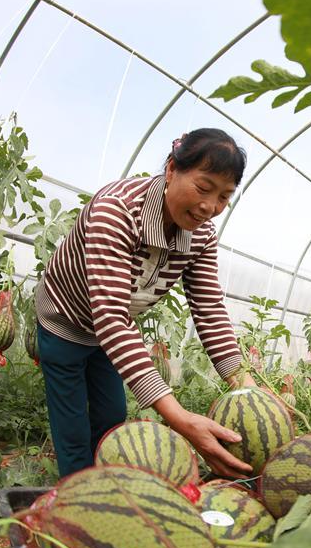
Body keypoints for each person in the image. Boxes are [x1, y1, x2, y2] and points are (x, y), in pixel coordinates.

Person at [34, 128, 256, 479]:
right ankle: (76, 498)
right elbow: (109, 316)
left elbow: (209, 306)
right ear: (171, 170)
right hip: (65, 320)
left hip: (112, 330)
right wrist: (180, 419)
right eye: (203, 188)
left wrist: (245, 387)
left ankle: (104, 485)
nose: (209, 207)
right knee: (72, 427)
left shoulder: (200, 235)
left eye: (224, 197)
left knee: (110, 417)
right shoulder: (116, 211)